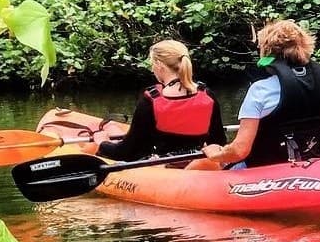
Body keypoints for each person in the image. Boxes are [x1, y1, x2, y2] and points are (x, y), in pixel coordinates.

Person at [200, 20, 320, 168]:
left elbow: (240, 150)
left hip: (266, 173)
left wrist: (216, 153)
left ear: (267, 51)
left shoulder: (260, 90)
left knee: (209, 166)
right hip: (311, 170)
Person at [94, 40, 225, 162]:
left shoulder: (151, 100)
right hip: (196, 163)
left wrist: (103, 143)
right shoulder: (207, 95)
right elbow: (218, 143)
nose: (152, 69)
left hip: (162, 166)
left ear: (159, 65)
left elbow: (128, 152)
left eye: (152, 64)